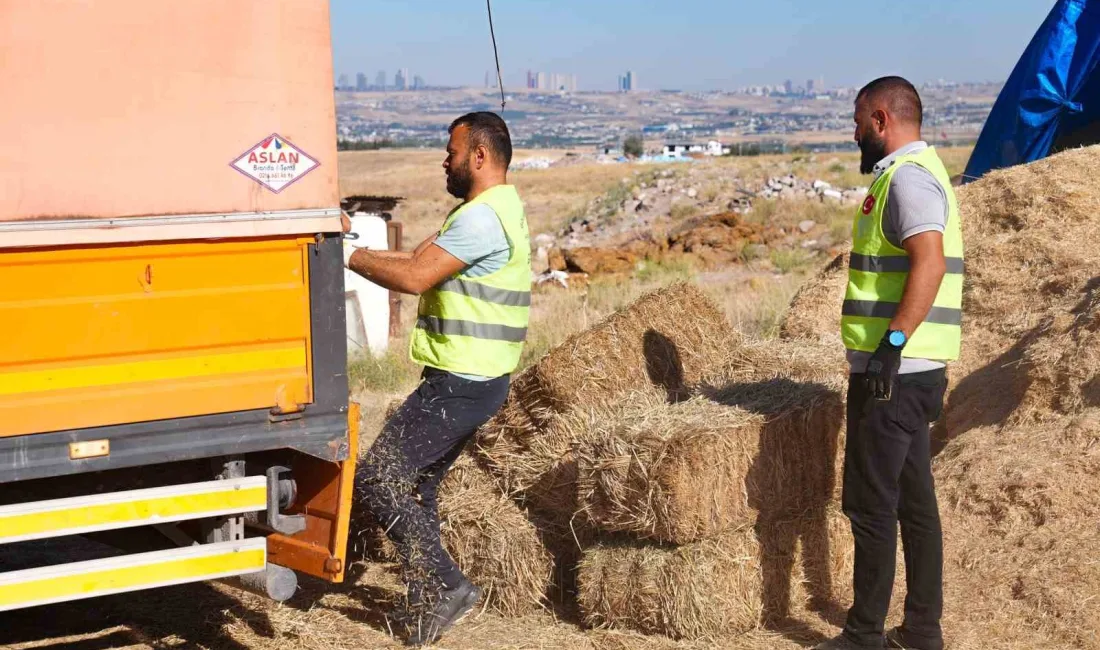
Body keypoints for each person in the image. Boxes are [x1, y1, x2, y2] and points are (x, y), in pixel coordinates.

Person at [344, 111, 530, 647]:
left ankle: (446, 586)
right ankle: (430, 596)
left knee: (379, 476)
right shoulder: (492, 208)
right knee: (417, 485)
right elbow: (420, 256)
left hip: (463, 380)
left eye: (451, 151)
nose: (443, 160)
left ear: (479, 155)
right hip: (473, 377)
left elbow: (414, 276)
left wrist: (346, 256)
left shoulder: (479, 219)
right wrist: (352, 238)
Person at [815, 77, 963, 650]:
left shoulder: (909, 182)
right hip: (909, 370)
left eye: (857, 122)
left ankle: (863, 636)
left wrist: (890, 347)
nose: (854, 133)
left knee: (870, 504)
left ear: (881, 119)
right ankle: (922, 631)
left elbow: (930, 263)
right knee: (914, 502)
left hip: (895, 373)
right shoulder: (911, 176)